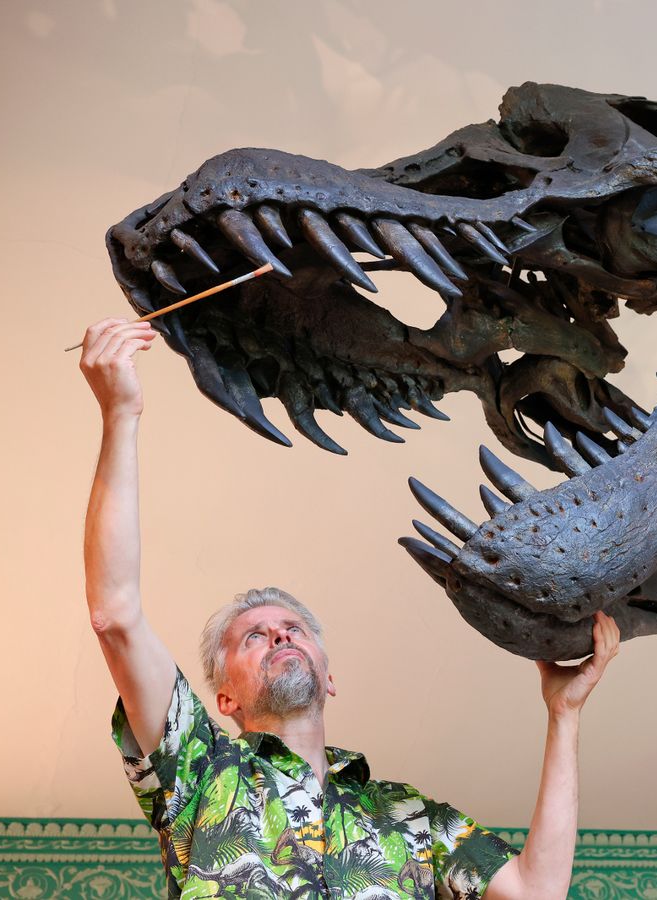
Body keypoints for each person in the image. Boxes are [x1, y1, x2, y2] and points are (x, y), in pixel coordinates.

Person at [80, 317, 620, 899]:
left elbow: (538, 894)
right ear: (225, 698)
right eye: (254, 636)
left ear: (329, 676)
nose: (280, 635)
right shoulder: (198, 770)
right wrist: (120, 414)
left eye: (293, 628)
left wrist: (564, 714)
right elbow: (115, 615)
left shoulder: (413, 819)